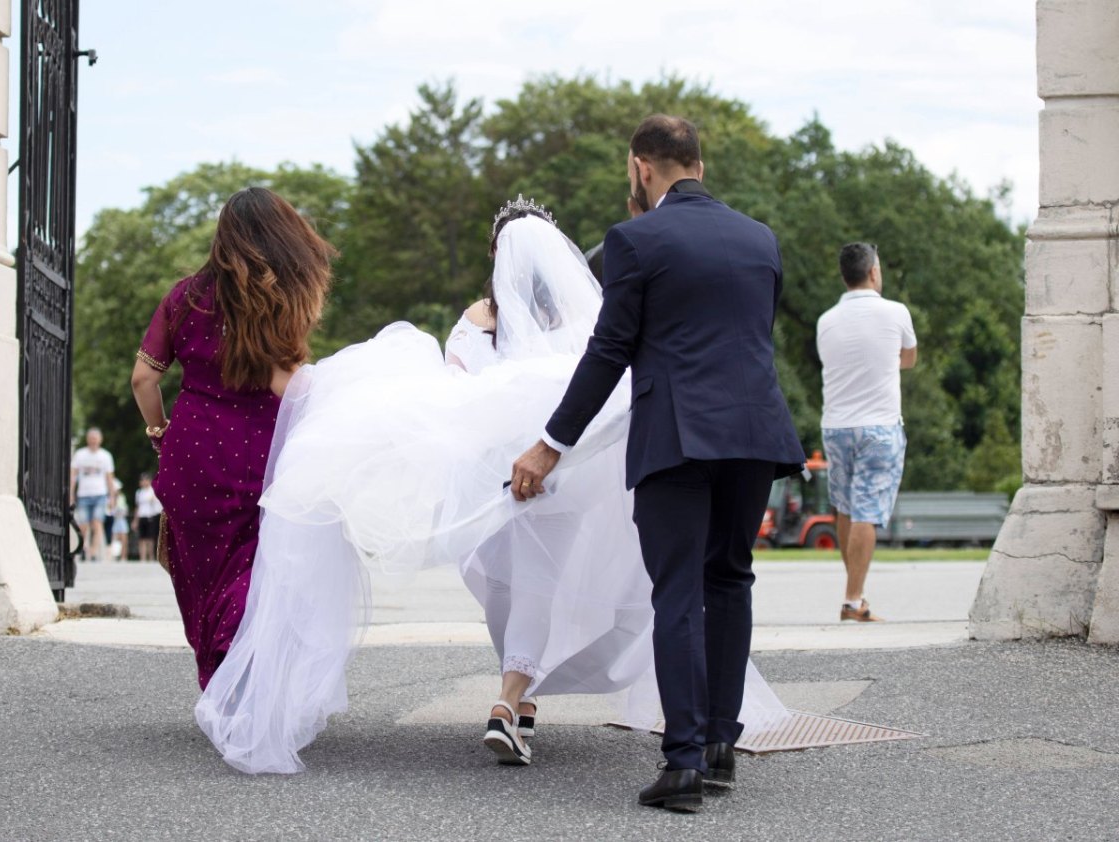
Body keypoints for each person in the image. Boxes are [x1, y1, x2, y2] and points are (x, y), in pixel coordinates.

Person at [194, 197, 791, 775]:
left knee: (513, 584)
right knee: (541, 582)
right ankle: (526, 701)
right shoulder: (587, 317)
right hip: (564, 475)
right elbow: (611, 378)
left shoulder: (477, 323)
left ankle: (511, 698)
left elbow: (454, 394)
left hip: (500, 479)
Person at [511, 115, 806, 812]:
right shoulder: (759, 238)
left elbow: (609, 350)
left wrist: (550, 443)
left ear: (641, 167)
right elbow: (749, 338)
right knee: (730, 580)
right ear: (698, 163)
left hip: (678, 435)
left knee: (676, 592)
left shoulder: (635, 240)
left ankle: (681, 767)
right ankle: (718, 745)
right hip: (755, 433)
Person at [130, 186, 338, 689]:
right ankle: (244, 675)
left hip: (191, 451)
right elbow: (283, 384)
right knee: (253, 566)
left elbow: (143, 379)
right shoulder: (275, 300)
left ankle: (218, 673)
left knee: (202, 572)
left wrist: (159, 432)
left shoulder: (183, 297)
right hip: (259, 453)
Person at [815, 242, 917, 623]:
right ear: (873, 272)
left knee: (844, 507)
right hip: (879, 425)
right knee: (866, 511)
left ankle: (854, 592)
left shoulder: (826, 320)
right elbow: (908, 358)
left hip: (836, 426)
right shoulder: (895, 312)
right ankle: (853, 599)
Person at [69, 427, 116, 562]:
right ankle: (84, 548)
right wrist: (71, 493)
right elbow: (73, 476)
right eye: (91, 438)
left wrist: (112, 497)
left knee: (97, 523)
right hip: (84, 494)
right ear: (88, 439)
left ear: (100, 440)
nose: (94, 441)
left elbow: (109, 478)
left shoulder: (105, 456)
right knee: (83, 525)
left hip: (100, 494)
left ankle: (94, 552)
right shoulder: (80, 454)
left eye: (96, 438)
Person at [133, 473, 163, 562]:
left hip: (151, 516)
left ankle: (151, 556)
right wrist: (135, 520)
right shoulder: (139, 493)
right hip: (142, 516)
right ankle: (142, 557)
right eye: (142, 480)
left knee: (150, 538)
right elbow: (137, 507)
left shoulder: (152, 491)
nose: (143, 482)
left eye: (145, 480)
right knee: (142, 538)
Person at [110, 480, 131, 561]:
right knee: (115, 539)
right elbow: (111, 511)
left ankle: (123, 557)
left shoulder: (122, 497)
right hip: (115, 520)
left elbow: (124, 509)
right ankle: (115, 556)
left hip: (122, 519)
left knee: (124, 538)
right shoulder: (111, 498)